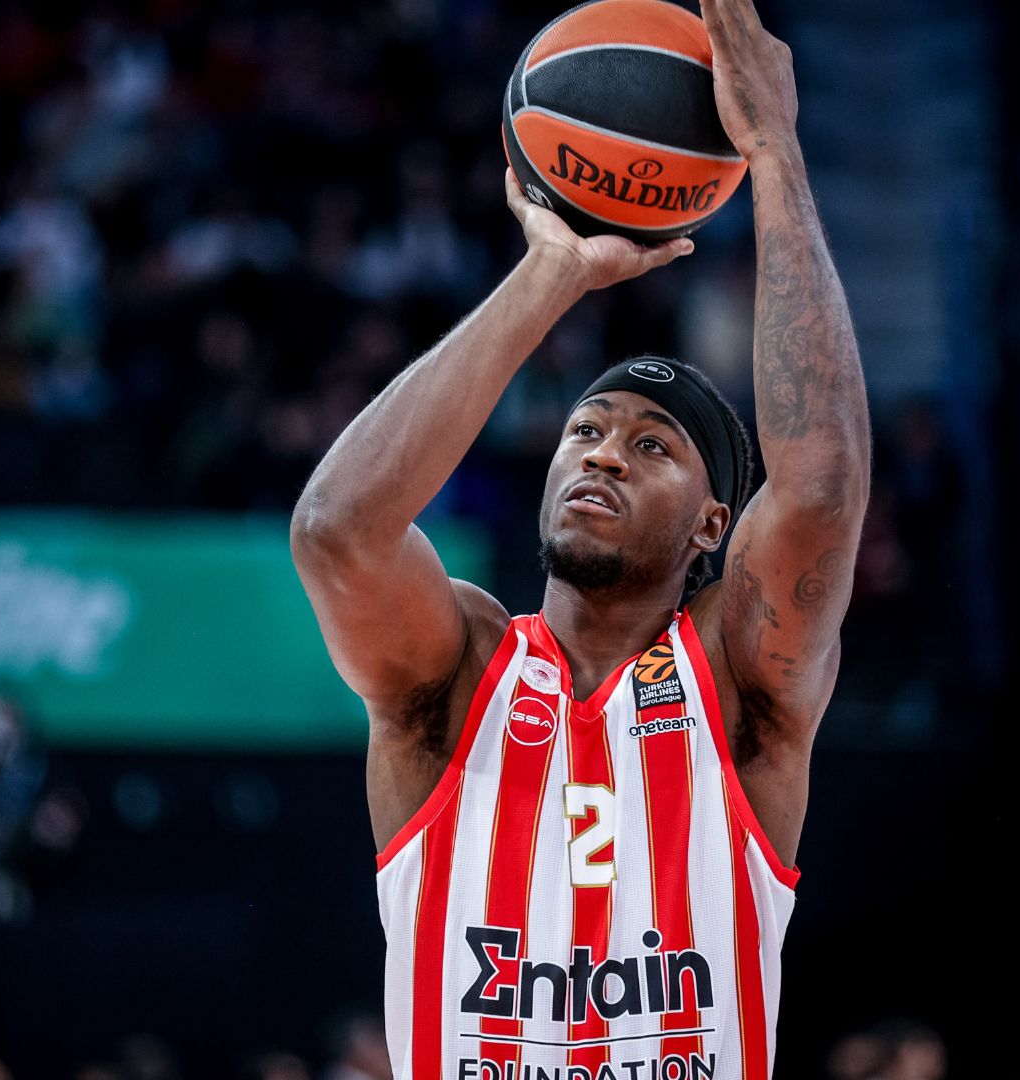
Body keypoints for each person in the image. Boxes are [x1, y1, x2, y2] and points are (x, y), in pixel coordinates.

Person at [291, 1, 867, 1076]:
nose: (603, 456)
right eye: (585, 431)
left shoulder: (738, 682)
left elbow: (823, 493)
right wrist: (551, 272)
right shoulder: (457, 677)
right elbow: (338, 532)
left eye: (651, 447)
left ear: (714, 524)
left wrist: (775, 156)